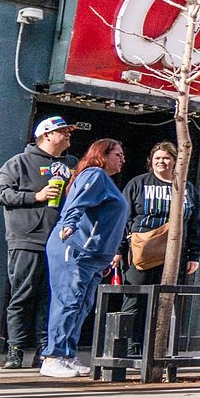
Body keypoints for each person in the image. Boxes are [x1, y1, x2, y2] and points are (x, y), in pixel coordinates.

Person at [0, 116, 77, 369]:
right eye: (63, 131)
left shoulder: (72, 163)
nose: (68, 135)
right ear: (46, 135)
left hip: (60, 242)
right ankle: (15, 350)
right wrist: (36, 196)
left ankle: (44, 349)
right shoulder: (18, 163)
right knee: (23, 295)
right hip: (27, 239)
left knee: (52, 297)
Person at [41, 139, 130, 379]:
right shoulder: (95, 174)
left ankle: (67, 355)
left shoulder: (106, 182)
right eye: (118, 155)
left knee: (81, 304)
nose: (122, 159)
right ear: (103, 154)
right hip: (76, 249)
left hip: (94, 256)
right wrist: (69, 225)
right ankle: (52, 357)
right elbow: (77, 201)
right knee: (69, 300)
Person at [120, 142, 200, 356]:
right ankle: (130, 346)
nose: (161, 162)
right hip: (142, 251)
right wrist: (118, 249)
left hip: (175, 254)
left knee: (165, 301)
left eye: (166, 158)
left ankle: (157, 347)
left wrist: (194, 254)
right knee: (135, 298)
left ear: (175, 160)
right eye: (157, 158)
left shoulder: (186, 188)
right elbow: (123, 218)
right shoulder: (138, 184)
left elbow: (195, 224)